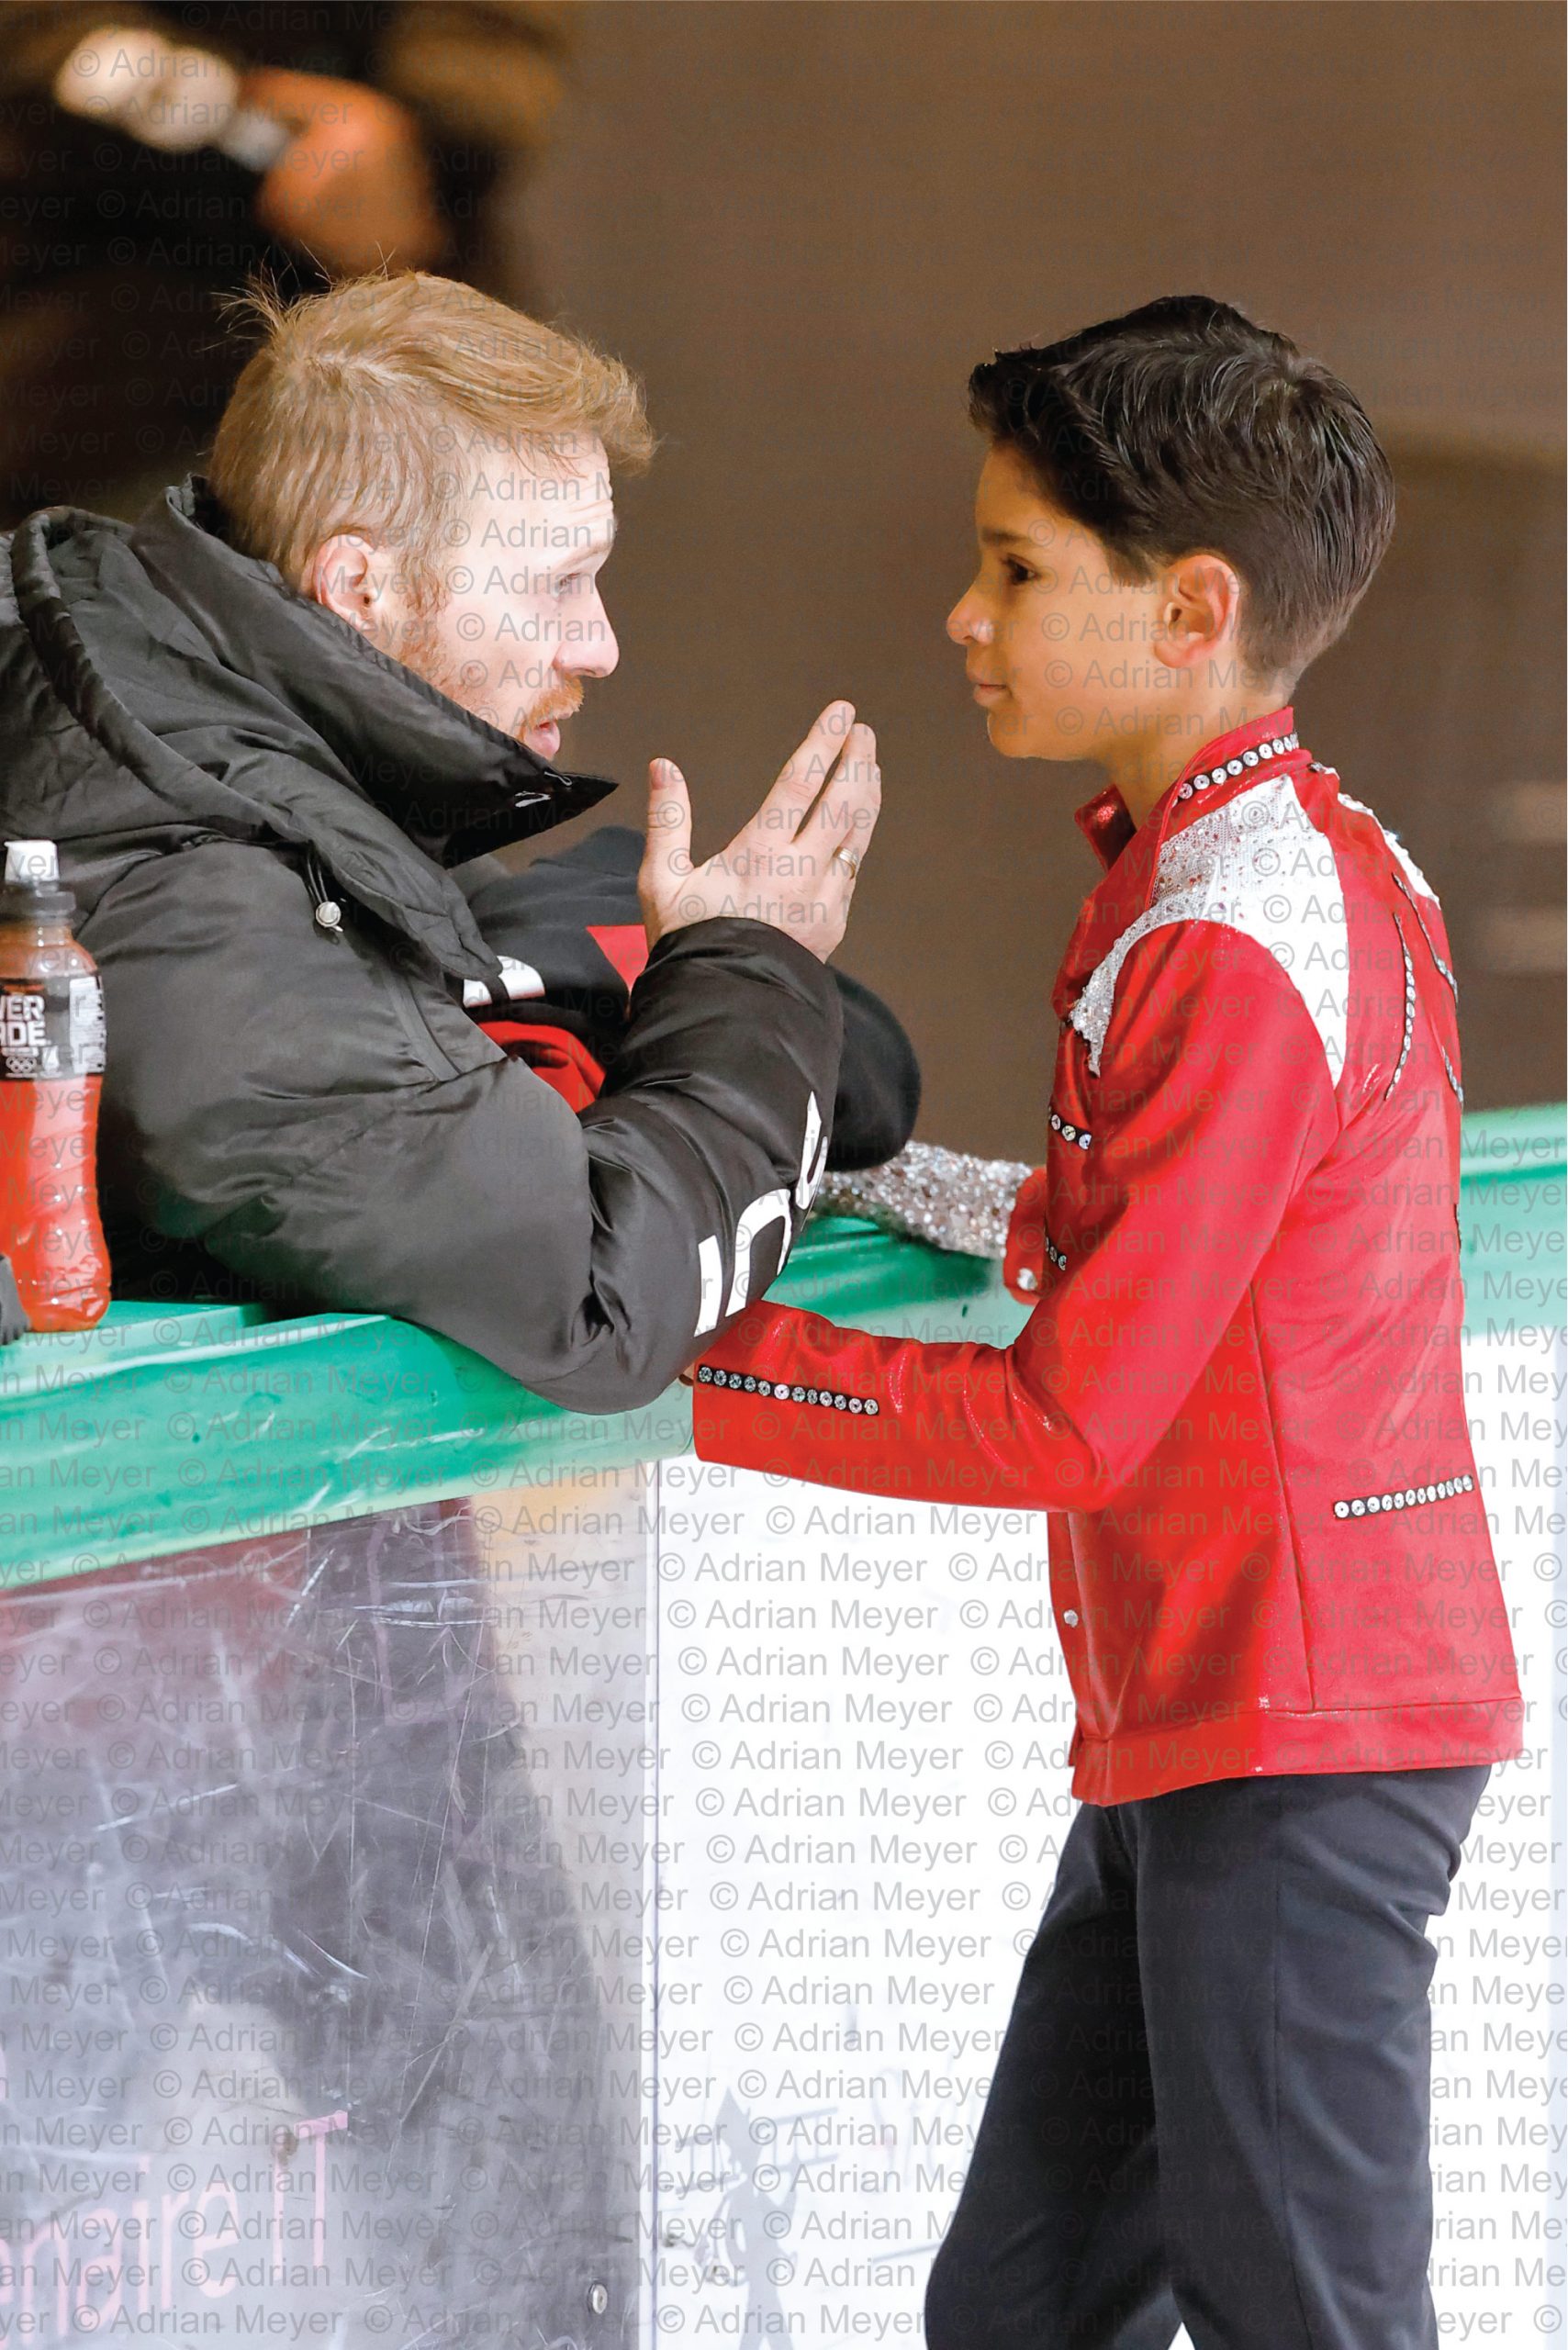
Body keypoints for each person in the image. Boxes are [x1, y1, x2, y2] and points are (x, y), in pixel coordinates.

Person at [689, 296, 1523, 2350]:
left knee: (1301, 2318)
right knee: (1022, 2305)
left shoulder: (1235, 933)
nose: (961, 616)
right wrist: (861, 1179)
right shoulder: (1267, 866)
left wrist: (681, 1355)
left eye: (1013, 569)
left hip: (1292, 1731)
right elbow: (1119, 1232)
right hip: (1215, 1721)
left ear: (1191, 609)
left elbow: (1065, 1421)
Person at [0, 266, 915, 1408]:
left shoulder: (146, 687)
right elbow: (598, 1300)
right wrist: (750, 966)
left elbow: (875, 1065)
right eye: (558, 585)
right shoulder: (202, 924)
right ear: (358, 587)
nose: (601, 645)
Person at [0, 0, 575, 520]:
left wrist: (413, 141)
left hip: (396, 350)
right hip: (85, 373)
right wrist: (227, 108)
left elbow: (497, 53)